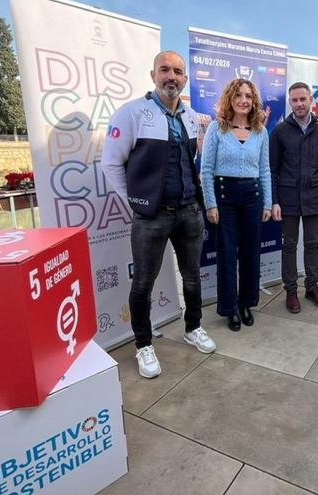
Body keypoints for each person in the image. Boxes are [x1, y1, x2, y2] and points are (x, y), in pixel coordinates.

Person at [101, 51, 216, 379]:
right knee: (143, 284)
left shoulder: (191, 116)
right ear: (153, 74)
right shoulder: (132, 113)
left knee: (192, 277)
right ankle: (143, 344)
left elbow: (194, 161)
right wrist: (135, 203)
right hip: (152, 217)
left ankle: (193, 327)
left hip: (189, 212)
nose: (172, 76)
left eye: (178, 72)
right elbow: (111, 163)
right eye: (165, 70)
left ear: (185, 79)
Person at [200, 78, 272, 331]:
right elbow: (206, 169)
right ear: (230, 99)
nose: (243, 100)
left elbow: (265, 170)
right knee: (228, 256)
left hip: (253, 197)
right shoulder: (217, 130)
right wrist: (211, 204)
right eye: (238, 95)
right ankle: (229, 308)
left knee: (251, 254)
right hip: (224, 197)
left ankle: (246, 303)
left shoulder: (261, 132)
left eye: (248, 96)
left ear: (254, 102)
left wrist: (268, 203)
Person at [270, 82, 318, 313]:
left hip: (316, 198)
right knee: (289, 245)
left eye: (302, 99)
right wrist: (274, 200)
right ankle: (290, 291)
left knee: (312, 244)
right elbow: (272, 170)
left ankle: (312, 287)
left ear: (310, 101)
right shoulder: (279, 131)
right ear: (290, 103)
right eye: (295, 100)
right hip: (287, 199)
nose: (299, 104)